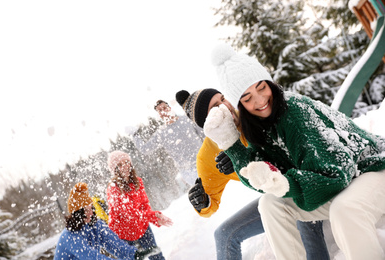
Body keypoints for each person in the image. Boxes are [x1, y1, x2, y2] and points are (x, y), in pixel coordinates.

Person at [204, 43, 385, 259]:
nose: (260, 100)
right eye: (247, 98)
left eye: (261, 87)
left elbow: (337, 174)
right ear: (240, 105)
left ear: (270, 83)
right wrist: (232, 145)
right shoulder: (259, 126)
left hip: (370, 169)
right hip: (343, 183)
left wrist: (287, 183)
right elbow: (259, 175)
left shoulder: (294, 111)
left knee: (344, 209)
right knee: (270, 204)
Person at [175, 88, 329, 260]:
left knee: (303, 214)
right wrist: (202, 203)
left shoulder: (252, 115)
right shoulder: (208, 156)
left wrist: (239, 158)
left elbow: (287, 156)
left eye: (223, 99)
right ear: (207, 123)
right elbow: (210, 201)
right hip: (274, 198)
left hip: (302, 184)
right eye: (215, 108)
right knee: (224, 235)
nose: (226, 107)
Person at [54, 182, 157, 260]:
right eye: (86, 210)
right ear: (77, 214)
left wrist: (135, 255)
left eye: (91, 208)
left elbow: (114, 243)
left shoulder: (96, 225)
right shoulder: (70, 237)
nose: (91, 213)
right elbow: (92, 257)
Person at [106, 151, 173, 260]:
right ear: (114, 169)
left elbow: (144, 204)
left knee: (157, 256)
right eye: (119, 165)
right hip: (123, 233)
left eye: (127, 162)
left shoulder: (137, 181)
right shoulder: (113, 189)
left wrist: (154, 218)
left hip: (141, 226)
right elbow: (129, 213)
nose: (125, 166)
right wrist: (153, 216)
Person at [133, 100, 204, 186]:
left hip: (204, 160)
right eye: (159, 110)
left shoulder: (186, 119)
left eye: (164, 108)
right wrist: (135, 135)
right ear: (159, 115)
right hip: (189, 171)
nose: (163, 111)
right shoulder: (161, 133)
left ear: (170, 108)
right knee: (206, 194)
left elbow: (204, 134)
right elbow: (145, 149)